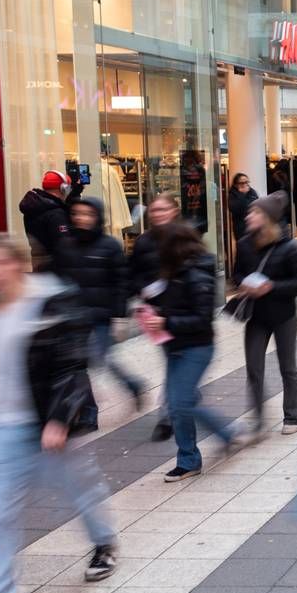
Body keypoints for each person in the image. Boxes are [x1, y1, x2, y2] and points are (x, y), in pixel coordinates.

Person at [0, 234, 117, 593]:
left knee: (81, 489)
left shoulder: (50, 301)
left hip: (47, 423)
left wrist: (59, 419)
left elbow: (71, 363)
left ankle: (103, 542)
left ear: (14, 263)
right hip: (2, 428)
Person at [139, 223, 248, 481]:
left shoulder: (197, 275)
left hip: (196, 348)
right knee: (181, 402)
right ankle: (224, 436)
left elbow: (201, 319)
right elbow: (172, 305)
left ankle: (190, 459)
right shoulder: (171, 272)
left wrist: (165, 321)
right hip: (174, 345)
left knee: (179, 403)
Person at [55, 197, 144, 431]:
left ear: (97, 217)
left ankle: (132, 384)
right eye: (77, 214)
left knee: (102, 360)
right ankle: (88, 414)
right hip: (74, 318)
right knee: (79, 366)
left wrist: (120, 317)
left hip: (103, 317)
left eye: (87, 214)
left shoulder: (110, 246)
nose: (82, 219)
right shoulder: (65, 244)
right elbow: (60, 281)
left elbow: (122, 283)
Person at [233, 191, 297, 437]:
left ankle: (293, 415)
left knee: (288, 367)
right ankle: (257, 418)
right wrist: (243, 284)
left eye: (254, 212)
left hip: (283, 315)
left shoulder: (288, 248)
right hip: (256, 316)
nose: (248, 216)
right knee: (254, 368)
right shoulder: (244, 244)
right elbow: (236, 274)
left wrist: (271, 287)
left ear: (267, 218)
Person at [130, 193, 181, 443]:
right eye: (154, 210)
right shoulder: (143, 242)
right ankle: (174, 406)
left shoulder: (184, 237)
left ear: (174, 211)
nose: (158, 214)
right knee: (173, 361)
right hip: (156, 314)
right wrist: (144, 289)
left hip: (182, 311)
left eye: (163, 209)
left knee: (175, 363)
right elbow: (133, 273)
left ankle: (167, 416)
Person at [19, 170, 75, 269]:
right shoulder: (56, 213)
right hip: (56, 267)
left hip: (38, 264)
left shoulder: (35, 207)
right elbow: (64, 245)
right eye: (68, 188)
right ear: (63, 189)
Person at [226, 172, 259, 268]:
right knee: (242, 251)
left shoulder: (252, 192)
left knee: (254, 251)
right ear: (236, 184)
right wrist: (243, 195)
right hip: (240, 228)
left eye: (246, 182)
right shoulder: (233, 194)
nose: (245, 184)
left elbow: (256, 205)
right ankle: (239, 274)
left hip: (253, 226)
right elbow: (235, 209)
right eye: (242, 182)